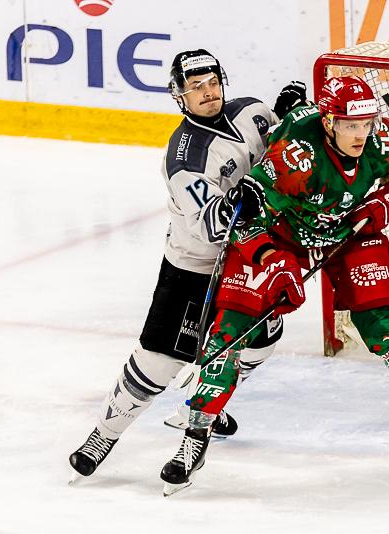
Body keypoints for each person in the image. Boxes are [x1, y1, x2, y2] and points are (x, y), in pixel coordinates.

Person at [158, 75, 389, 494]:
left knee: (385, 332)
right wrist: (274, 264)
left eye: (366, 124)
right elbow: (245, 220)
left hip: (348, 233)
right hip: (282, 236)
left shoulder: (383, 139)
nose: (360, 134)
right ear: (328, 122)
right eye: (350, 125)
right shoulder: (293, 158)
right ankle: (194, 439)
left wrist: (384, 200)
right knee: (228, 333)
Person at [68, 49, 309, 480]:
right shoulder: (185, 159)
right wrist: (243, 198)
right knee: (158, 362)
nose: (208, 93)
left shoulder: (253, 112)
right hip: (196, 267)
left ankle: (209, 400)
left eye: (213, 83)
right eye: (196, 87)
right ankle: (104, 434)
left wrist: (291, 121)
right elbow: (214, 228)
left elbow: (286, 156)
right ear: (179, 95)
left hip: (252, 261)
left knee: (260, 342)